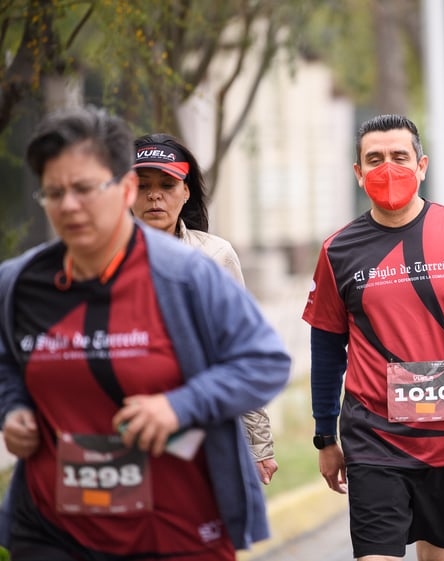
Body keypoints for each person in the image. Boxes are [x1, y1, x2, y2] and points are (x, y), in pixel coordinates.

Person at [0, 105, 290, 559]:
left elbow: (262, 361)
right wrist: (13, 407)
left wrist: (179, 407)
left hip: (174, 519)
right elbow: (5, 359)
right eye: (54, 192)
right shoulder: (19, 283)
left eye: (85, 189)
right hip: (54, 525)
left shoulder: (196, 270)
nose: (69, 205)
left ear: (121, 188)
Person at [302, 114, 444, 561]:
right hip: (373, 436)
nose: (388, 168)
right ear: (358, 173)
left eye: (399, 157)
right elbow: (325, 349)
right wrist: (326, 436)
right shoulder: (338, 250)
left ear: (421, 165)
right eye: (374, 159)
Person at [131, 132, 278, 485]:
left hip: (198, 425)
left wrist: (258, 446)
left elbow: (240, 353)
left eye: (167, 184)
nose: (154, 195)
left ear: (186, 192)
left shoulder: (215, 257)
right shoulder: (100, 260)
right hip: (125, 427)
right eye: (142, 185)